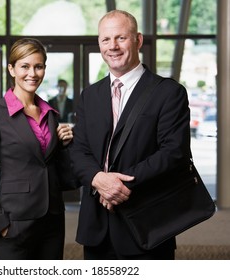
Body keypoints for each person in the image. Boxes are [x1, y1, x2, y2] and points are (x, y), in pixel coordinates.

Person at [69, 10, 191, 260]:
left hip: (147, 223)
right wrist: (97, 179)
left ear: (138, 40)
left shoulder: (168, 92)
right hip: (97, 227)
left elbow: (173, 154)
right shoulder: (89, 95)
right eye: (105, 39)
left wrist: (116, 185)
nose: (112, 46)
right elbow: (78, 151)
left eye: (120, 38)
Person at [0, 38, 73, 260]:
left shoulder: (51, 115)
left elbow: (64, 176)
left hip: (53, 220)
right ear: (12, 69)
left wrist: (65, 147)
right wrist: (0, 224)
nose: (32, 73)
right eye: (25, 66)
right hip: (15, 221)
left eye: (38, 66)